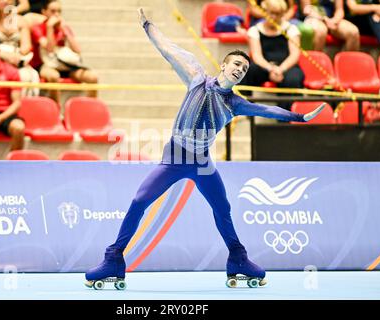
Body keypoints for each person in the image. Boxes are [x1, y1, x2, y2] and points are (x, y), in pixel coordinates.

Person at [84, 8, 325, 289]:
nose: (239, 70)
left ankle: (238, 259)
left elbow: (266, 109)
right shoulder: (197, 79)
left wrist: (298, 117)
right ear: (223, 65)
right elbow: (168, 50)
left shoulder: (235, 104)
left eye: (244, 70)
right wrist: (149, 25)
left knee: (222, 208)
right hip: (173, 159)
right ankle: (113, 259)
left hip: (202, 163)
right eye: (236, 64)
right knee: (139, 202)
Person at [239, 0, 305, 111]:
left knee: (293, 78)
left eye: (277, 14)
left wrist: (281, 69)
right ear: (264, 12)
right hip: (265, 66)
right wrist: (270, 69)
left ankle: (285, 118)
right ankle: (245, 110)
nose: (273, 17)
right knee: (245, 70)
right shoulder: (255, 30)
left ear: (282, 14)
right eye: (271, 13)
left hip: (287, 66)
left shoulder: (291, 29)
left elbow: (294, 55)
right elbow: (256, 56)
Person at [30, 0, 98, 103]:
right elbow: (50, 50)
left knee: (93, 77)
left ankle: (91, 109)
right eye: (53, 11)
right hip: (46, 65)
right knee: (54, 76)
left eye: (59, 11)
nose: (56, 15)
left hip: (64, 65)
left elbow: (78, 50)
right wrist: (49, 28)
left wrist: (65, 30)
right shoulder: (37, 28)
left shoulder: (63, 28)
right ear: (44, 12)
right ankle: (56, 110)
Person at [0, 0, 40, 96]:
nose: (6, 1)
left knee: (27, 76)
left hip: (16, 59)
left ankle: (24, 106)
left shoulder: (22, 21)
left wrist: (17, 56)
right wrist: (7, 56)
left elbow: (26, 46)